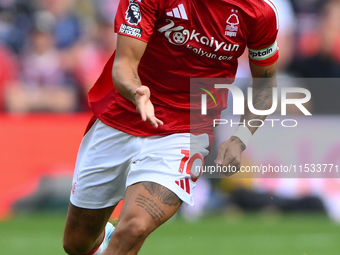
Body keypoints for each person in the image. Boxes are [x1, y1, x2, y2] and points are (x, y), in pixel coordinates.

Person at [63, 0, 279, 254]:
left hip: (185, 134)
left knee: (134, 227)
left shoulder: (259, 12)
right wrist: (136, 92)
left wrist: (239, 138)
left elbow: (265, 87)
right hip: (120, 118)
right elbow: (124, 64)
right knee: (76, 244)